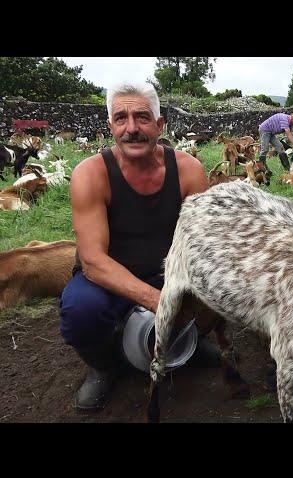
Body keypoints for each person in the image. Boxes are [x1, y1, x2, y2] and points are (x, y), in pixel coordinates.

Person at [59, 83, 220, 412]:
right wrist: (160, 303)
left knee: (218, 284)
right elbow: (92, 261)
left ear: (160, 126)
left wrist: (191, 297)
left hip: (169, 274)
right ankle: (103, 366)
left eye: (142, 117)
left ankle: (191, 339)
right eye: (121, 118)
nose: (131, 128)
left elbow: (203, 244)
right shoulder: (90, 175)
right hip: (108, 280)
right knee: (80, 310)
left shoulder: (188, 170)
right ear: (110, 127)